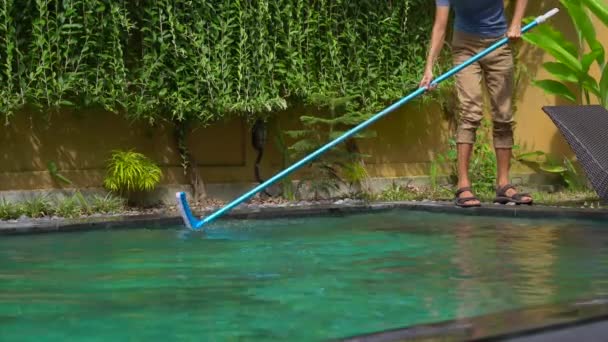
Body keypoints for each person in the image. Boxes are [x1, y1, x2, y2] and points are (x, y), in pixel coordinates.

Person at [420, 0, 533, 207]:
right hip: (465, 47)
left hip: (499, 42)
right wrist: (429, 68)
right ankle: (463, 185)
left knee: (504, 115)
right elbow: (440, 25)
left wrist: (516, 22)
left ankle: (504, 185)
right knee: (470, 112)